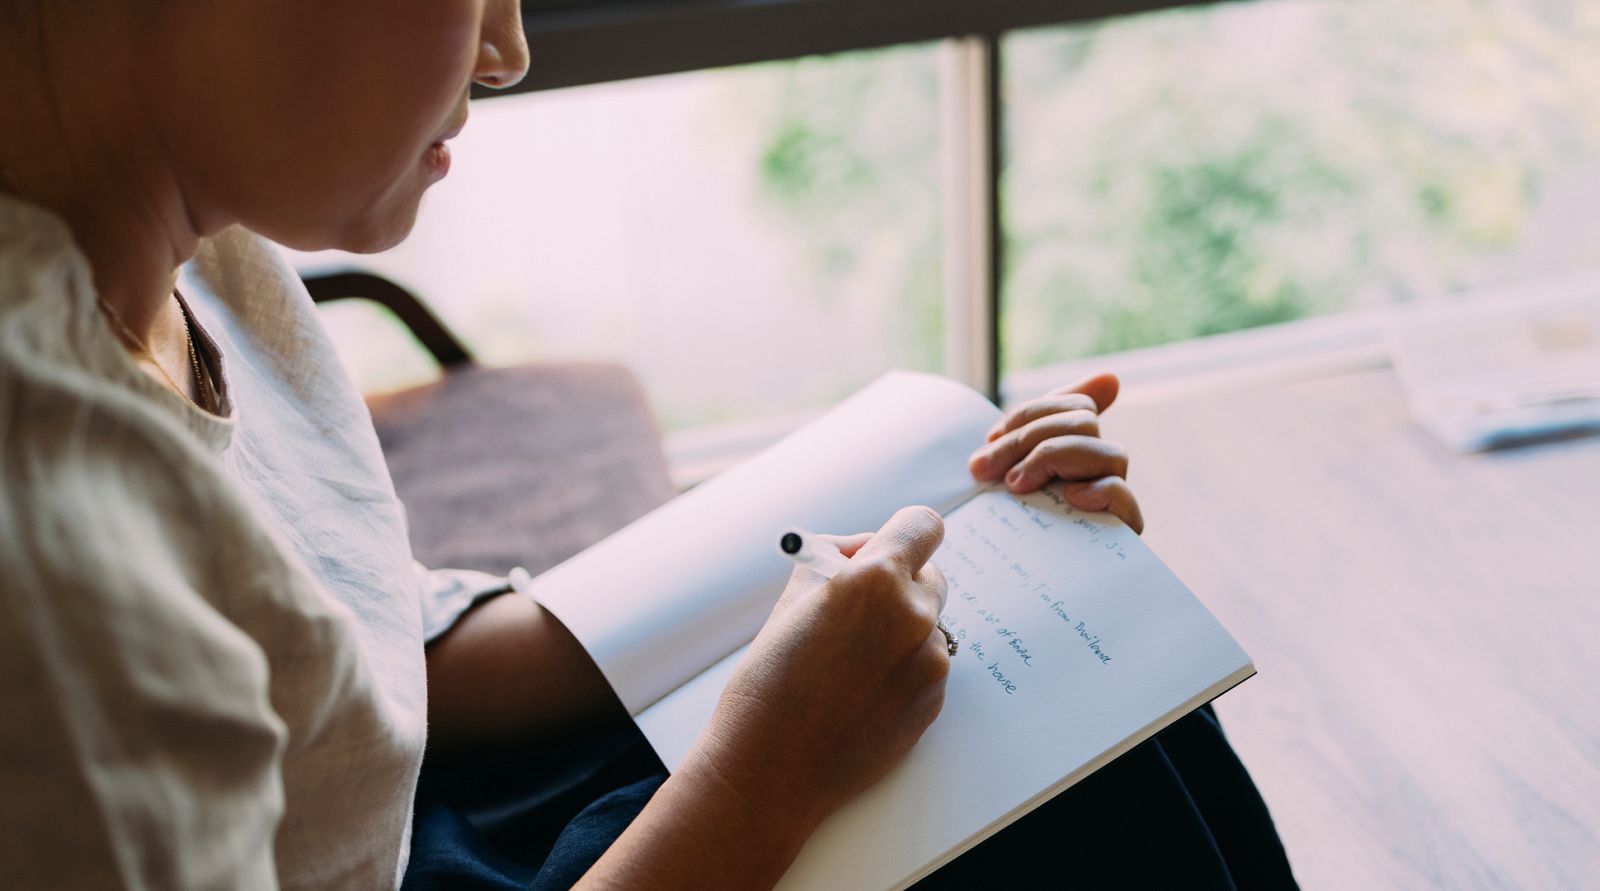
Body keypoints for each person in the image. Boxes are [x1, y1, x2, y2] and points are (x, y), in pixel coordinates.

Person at [0, 1, 1297, 888]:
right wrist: (759, 775)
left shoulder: (195, 246)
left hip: (409, 825)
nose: (505, 47)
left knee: (1070, 715)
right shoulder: (57, 557)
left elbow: (346, 667)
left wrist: (904, 535)